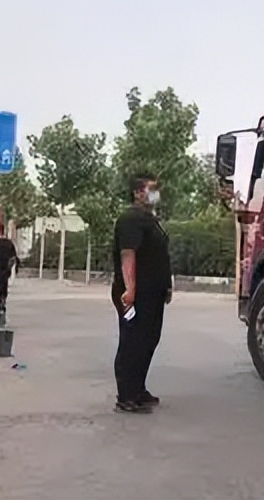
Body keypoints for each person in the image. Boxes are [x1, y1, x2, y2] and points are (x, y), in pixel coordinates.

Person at [111, 175, 172, 414]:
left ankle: (138, 388)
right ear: (138, 193)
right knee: (132, 342)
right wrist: (130, 289)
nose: (156, 194)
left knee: (148, 339)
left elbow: (160, 256)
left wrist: (166, 286)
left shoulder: (151, 220)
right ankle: (125, 396)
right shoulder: (130, 219)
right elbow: (128, 254)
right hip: (134, 294)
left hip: (152, 293)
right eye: (152, 189)